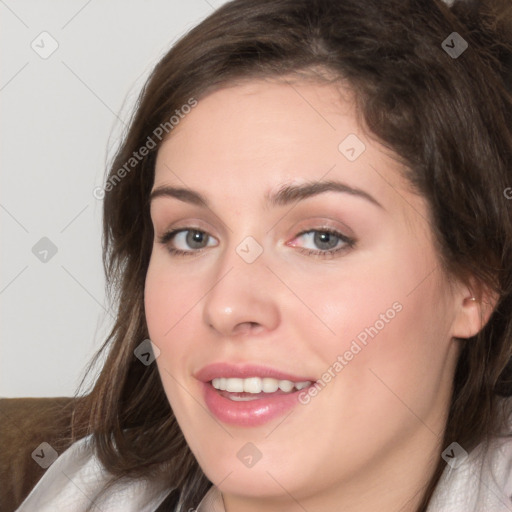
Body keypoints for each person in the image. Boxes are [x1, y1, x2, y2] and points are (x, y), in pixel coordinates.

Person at [14, 0, 512, 510]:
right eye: (192, 236)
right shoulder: (74, 494)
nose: (226, 306)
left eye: (322, 237)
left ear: (474, 283)